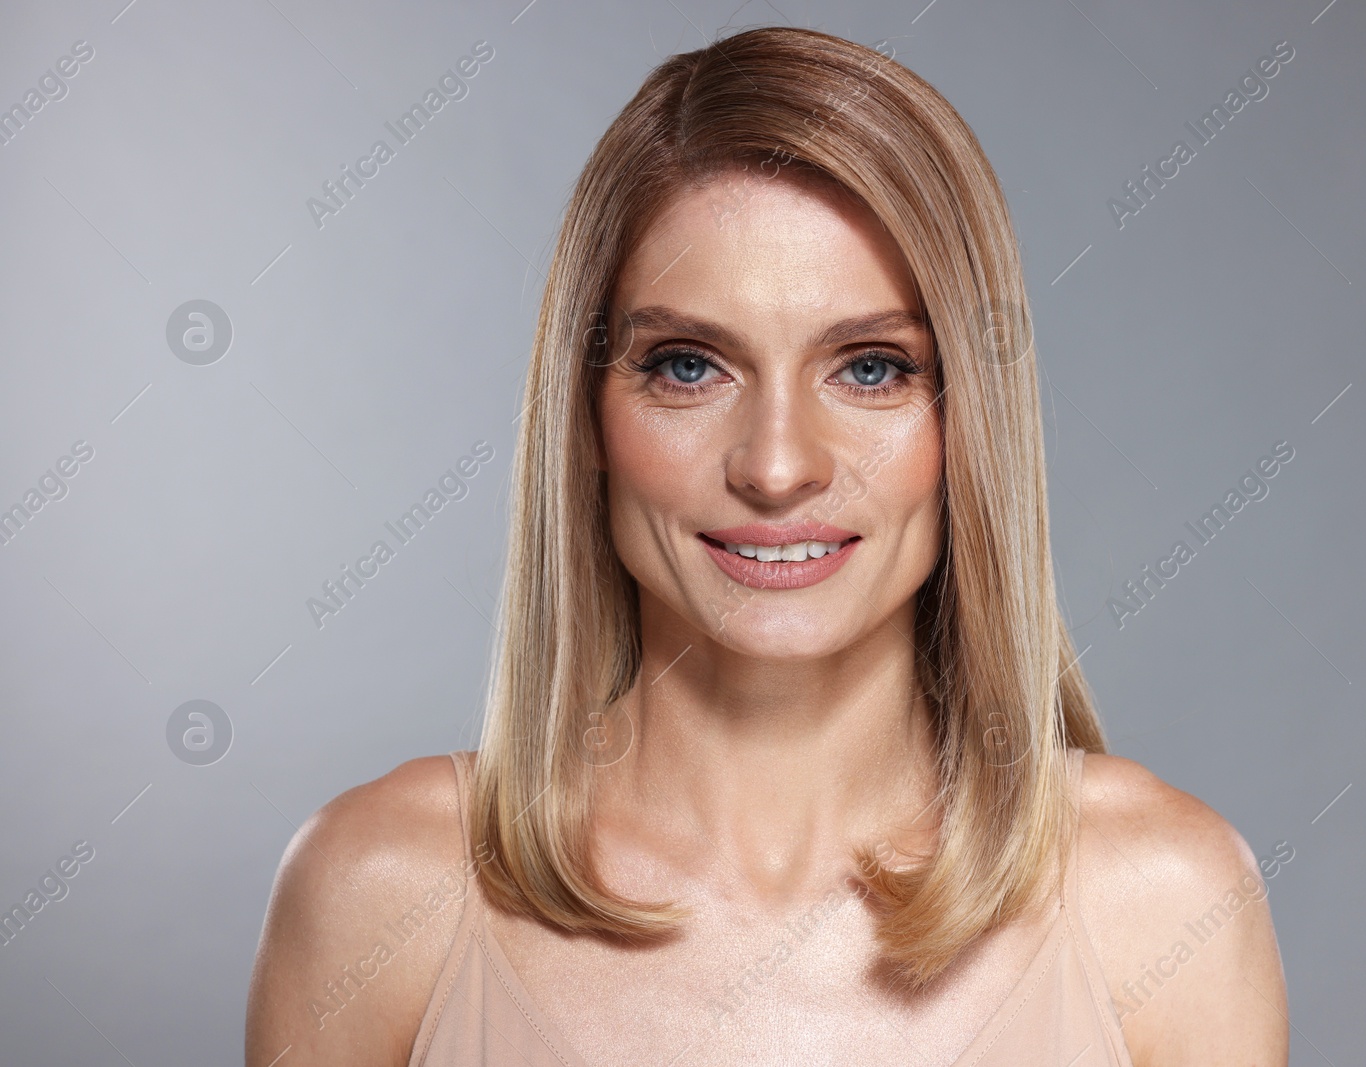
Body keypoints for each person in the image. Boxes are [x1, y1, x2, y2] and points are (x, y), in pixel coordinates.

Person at [245, 26, 1288, 1066]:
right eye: (690, 366)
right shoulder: (380, 890)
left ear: (971, 421)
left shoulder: (1162, 905)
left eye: (871, 368)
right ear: (584, 417)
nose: (777, 465)